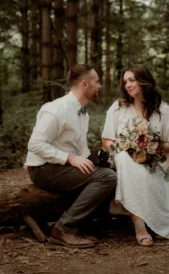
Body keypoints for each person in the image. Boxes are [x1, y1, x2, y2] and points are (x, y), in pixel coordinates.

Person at [25, 64, 117, 249]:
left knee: (110, 169)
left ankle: (93, 222)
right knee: (107, 177)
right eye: (97, 82)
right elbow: (35, 144)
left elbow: (79, 147)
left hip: (60, 166)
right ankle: (63, 230)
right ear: (84, 84)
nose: (99, 86)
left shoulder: (82, 112)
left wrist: (99, 160)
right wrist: (70, 158)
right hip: (43, 169)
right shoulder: (56, 109)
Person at [102, 64, 169, 247]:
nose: (128, 85)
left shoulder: (164, 110)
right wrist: (126, 147)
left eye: (132, 80)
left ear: (144, 81)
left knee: (150, 174)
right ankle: (140, 225)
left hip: (152, 159)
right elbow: (106, 141)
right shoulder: (118, 107)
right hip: (121, 156)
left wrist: (153, 144)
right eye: (125, 82)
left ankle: (157, 221)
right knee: (127, 163)